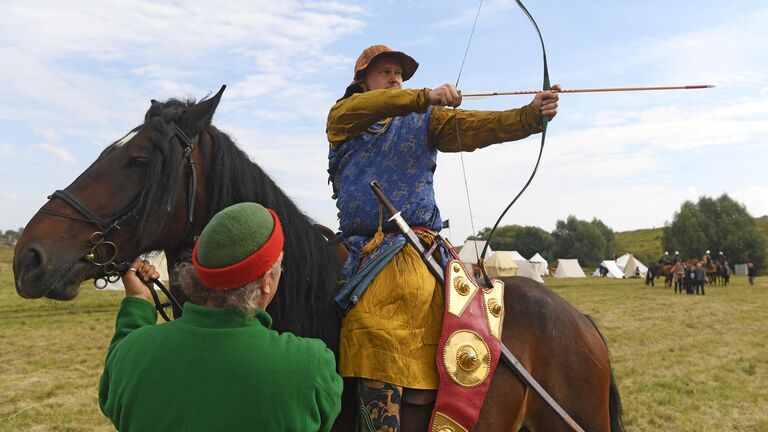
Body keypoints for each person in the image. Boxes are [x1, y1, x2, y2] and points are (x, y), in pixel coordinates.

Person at [326, 44, 559, 430]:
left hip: (411, 247)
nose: (395, 78)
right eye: (385, 72)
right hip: (354, 245)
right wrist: (423, 96)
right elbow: (360, 109)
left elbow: (478, 127)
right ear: (362, 83)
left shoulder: (424, 120)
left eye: (399, 73)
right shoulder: (344, 118)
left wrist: (530, 115)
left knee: (380, 314)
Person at [99, 203, 343, 431]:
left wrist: (137, 303)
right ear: (266, 281)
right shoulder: (311, 367)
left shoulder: (128, 356)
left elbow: (115, 378)